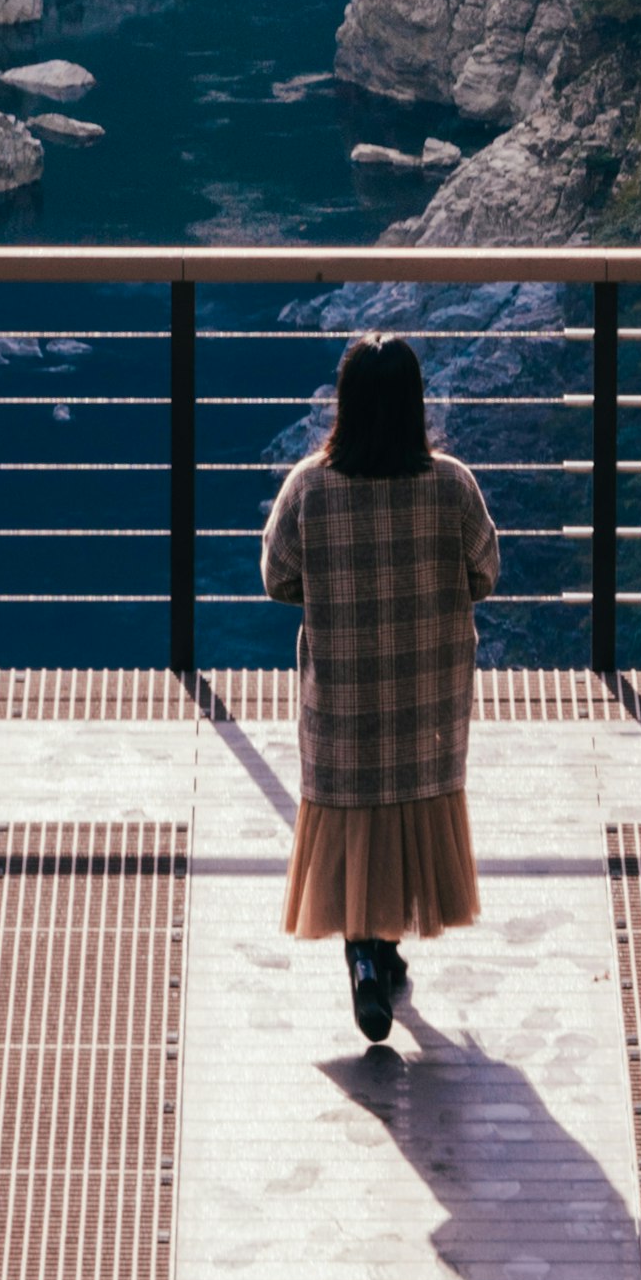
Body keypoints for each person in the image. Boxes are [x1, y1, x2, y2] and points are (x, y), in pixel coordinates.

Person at [260, 333, 499, 1049]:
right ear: (415, 403)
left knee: (355, 806)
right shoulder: (452, 484)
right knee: (408, 801)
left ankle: (365, 951)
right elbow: (484, 571)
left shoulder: (309, 485)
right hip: (425, 700)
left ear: (346, 403)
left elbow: (277, 578)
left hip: (345, 699)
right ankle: (383, 947)